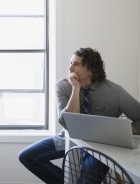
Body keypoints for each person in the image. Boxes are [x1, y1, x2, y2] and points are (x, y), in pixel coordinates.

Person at [18, 47, 140, 183]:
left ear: (91, 70)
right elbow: (67, 123)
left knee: (87, 179)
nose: (70, 68)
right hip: (68, 138)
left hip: (101, 145)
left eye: (76, 64)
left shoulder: (115, 92)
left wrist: (118, 131)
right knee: (27, 156)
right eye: (71, 63)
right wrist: (76, 89)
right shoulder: (63, 86)